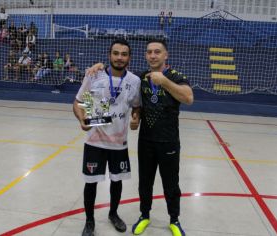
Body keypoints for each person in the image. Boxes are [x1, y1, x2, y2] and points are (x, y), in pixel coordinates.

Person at [87, 39, 193, 236]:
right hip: (146, 141)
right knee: (145, 182)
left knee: (171, 183)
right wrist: (136, 117)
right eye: (149, 52)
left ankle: (174, 220)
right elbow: (136, 104)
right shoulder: (141, 78)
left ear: (165, 55)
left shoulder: (176, 76)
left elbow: (188, 98)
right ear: (145, 55)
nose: (153, 55)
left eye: (157, 52)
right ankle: (144, 215)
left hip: (169, 140)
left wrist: (165, 82)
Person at [73, 39, 141, 236]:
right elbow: (78, 103)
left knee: (117, 181)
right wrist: (82, 119)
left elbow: (136, 105)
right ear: (109, 55)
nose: (119, 58)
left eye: (124, 54)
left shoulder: (134, 81)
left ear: (129, 57)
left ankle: (113, 214)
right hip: (95, 140)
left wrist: (136, 117)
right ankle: (89, 221)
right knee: (91, 182)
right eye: (116, 53)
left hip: (119, 143)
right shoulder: (94, 76)